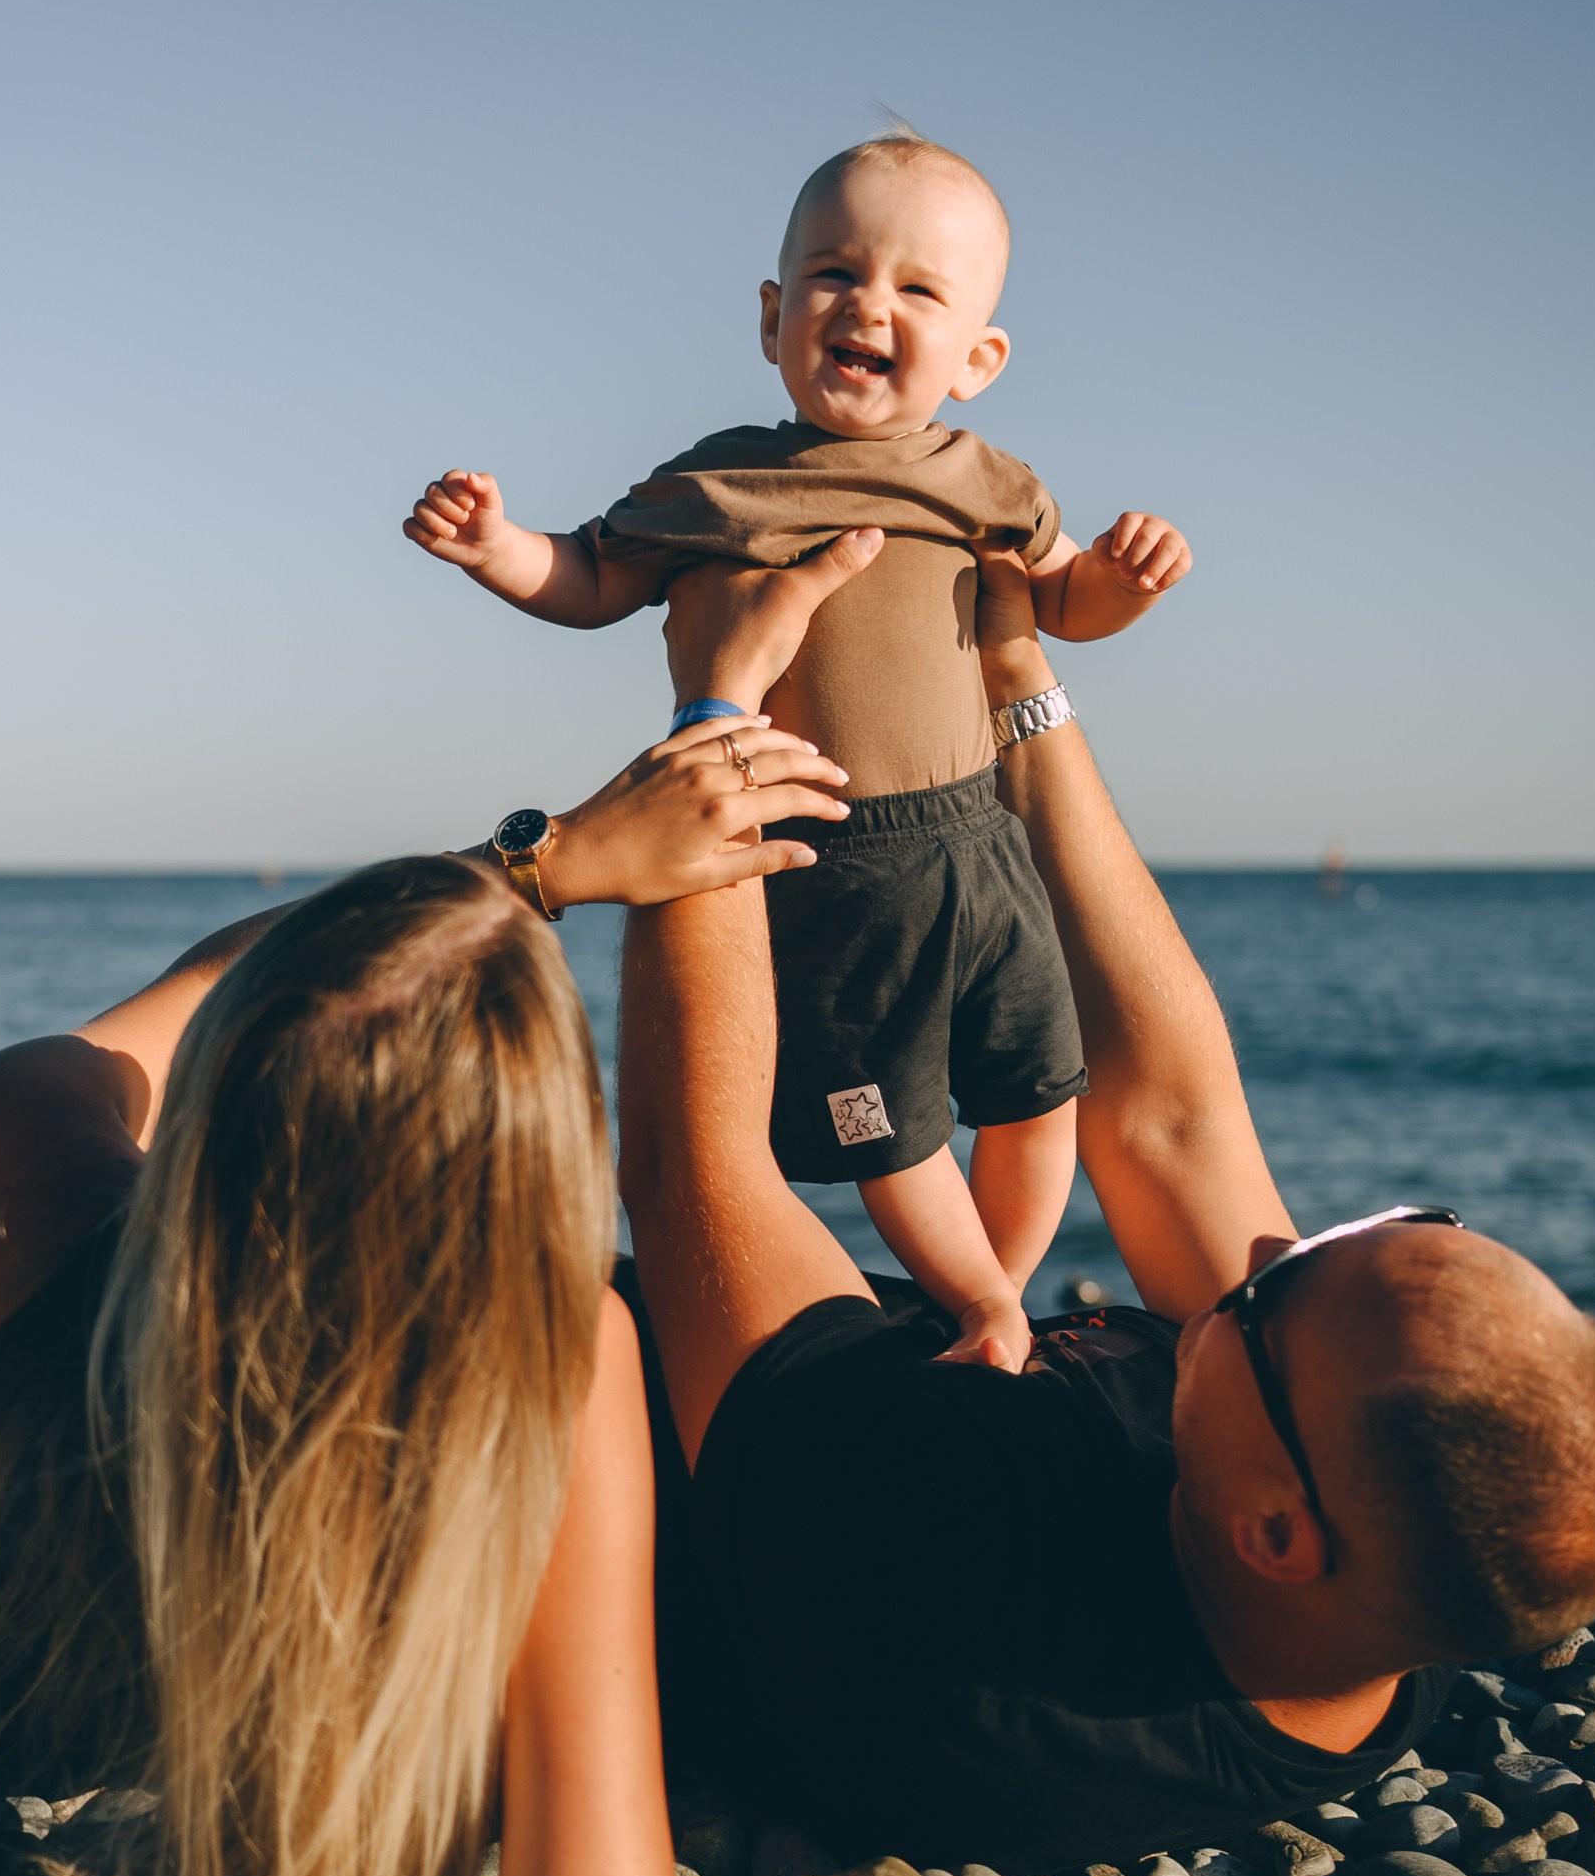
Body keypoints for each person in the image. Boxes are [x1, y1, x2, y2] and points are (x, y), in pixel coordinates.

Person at [0, 714, 849, 1876]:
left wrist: (552, 864)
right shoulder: (553, 1356)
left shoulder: (15, 1145)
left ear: (233, 1082)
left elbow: (201, 993)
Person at [620, 535, 1595, 1876]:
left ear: (1272, 1529)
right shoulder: (1397, 1608)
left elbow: (702, 1172)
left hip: (568, 1409)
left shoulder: (935, 1577)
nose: (1269, 1249)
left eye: (1278, 1291)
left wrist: (714, 717)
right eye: (1386, 1227)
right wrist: (1017, 677)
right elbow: (1172, 1116)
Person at [405, 128, 1191, 1369]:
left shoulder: (987, 480)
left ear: (979, 358)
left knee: (1043, 1088)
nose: (868, 304)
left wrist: (1127, 583)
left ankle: (998, 1290)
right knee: (895, 1126)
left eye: (917, 289)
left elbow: (1061, 604)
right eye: (834, 274)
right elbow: (595, 578)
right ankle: (979, 1307)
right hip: (829, 848)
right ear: (774, 318)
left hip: (984, 835)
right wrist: (500, 546)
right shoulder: (722, 482)